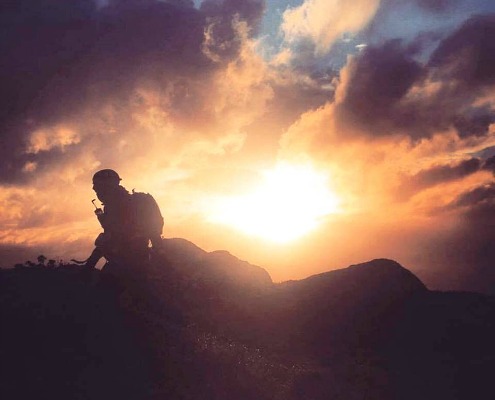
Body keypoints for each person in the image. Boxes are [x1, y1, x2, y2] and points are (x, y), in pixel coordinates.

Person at [83, 169, 163, 271]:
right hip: (125, 260)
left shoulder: (132, 205)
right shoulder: (111, 207)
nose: (95, 190)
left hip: (134, 263)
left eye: (98, 188)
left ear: (108, 187)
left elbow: (152, 234)